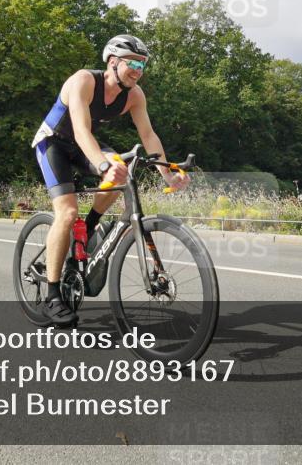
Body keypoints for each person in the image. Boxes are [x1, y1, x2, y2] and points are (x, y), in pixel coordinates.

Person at [31, 34, 190, 327]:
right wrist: (103, 165)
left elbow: (148, 135)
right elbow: (80, 130)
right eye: (133, 63)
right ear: (113, 62)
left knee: (123, 169)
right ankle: (53, 296)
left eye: (142, 65)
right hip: (53, 143)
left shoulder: (135, 95)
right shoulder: (83, 81)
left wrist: (167, 171)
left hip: (83, 144)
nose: (138, 71)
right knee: (66, 213)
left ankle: (90, 227)